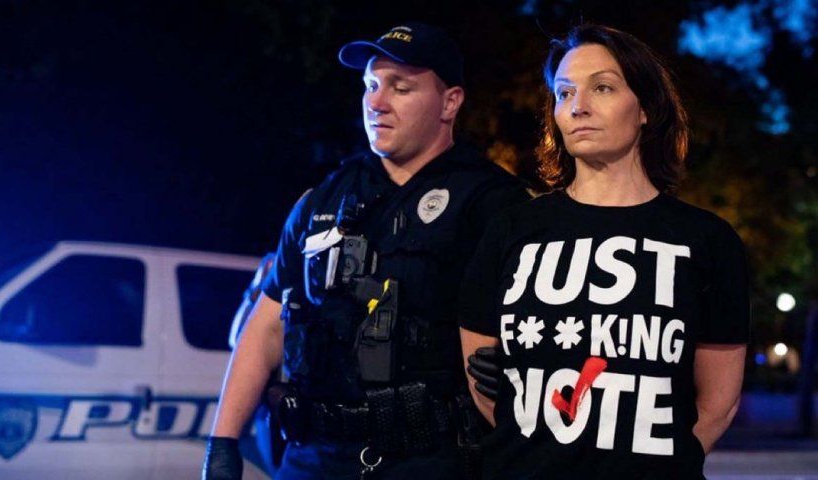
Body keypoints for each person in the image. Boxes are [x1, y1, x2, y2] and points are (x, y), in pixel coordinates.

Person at [203, 22, 530, 479]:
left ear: (450, 102)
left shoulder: (493, 203)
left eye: (401, 87)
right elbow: (267, 326)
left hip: (430, 461)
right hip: (314, 456)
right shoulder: (323, 200)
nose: (377, 102)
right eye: (371, 85)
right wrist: (222, 443)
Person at [459, 24, 749, 479]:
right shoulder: (512, 229)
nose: (578, 106)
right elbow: (482, 381)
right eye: (564, 92)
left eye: (603, 88)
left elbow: (719, 403)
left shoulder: (707, 240)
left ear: (646, 108)